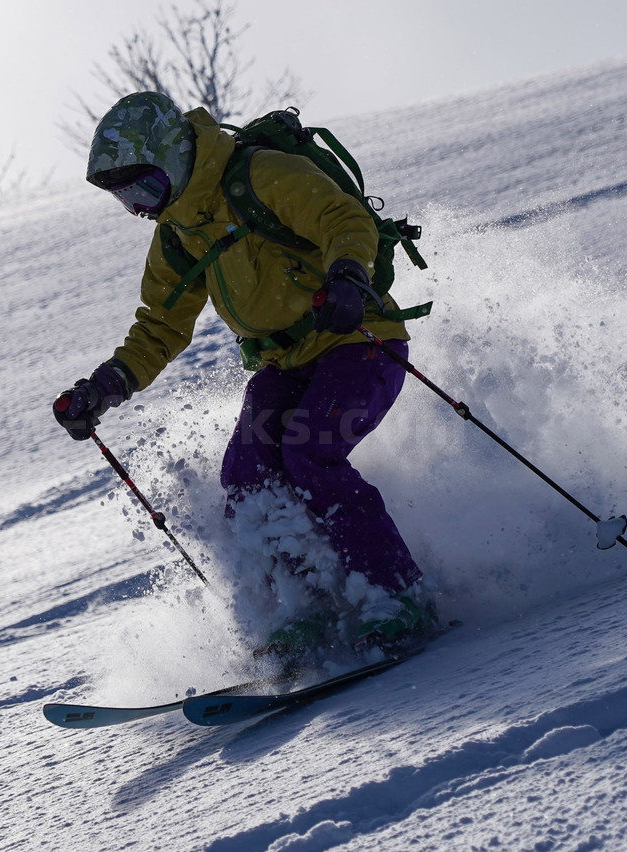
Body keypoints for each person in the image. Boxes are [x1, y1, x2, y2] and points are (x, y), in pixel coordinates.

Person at [53, 91, 437, 659]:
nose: (140, 207)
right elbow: (160, 326)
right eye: (125, 196)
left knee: (310, 452)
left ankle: (396, 594)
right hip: (284, 362)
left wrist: (350, 276)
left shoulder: (259, 174)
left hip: (359, 340)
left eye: (146, 188)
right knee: (246, 474)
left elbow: (342, 218)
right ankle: (307, 608)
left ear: (176, 158)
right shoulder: (177, 234)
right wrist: (106, 385)